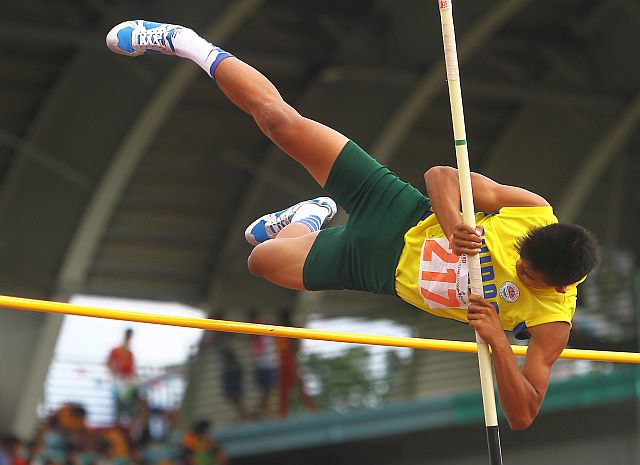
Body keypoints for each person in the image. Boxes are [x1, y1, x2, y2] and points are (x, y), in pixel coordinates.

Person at [106, 20, 599, 430]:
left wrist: (496, 340)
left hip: (377, 270)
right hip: (397, 210)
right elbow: (442, 176)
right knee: (280, 122)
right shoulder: (533, 211)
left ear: (559, 286)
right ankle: (186, 42)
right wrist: (452, 228)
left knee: (262, 261)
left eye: (527, 275)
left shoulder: (551, 321)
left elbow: (523, 414)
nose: (517, 266)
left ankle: (306, 217)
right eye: (522, 256)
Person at [199, 312, 248, 421]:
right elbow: (205, 344)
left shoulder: (224, 333)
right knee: (232, 396)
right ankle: (242, 415)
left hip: (231, 369)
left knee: (235, 395)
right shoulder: (218, 336)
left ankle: (243, 415)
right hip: (229, 369)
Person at [276, 308, 315, 417]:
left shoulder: (286, 331)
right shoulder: (283, 331)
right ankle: (283, 413)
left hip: (288, 360)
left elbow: (293, 348)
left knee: (290, 388)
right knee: (287, 389)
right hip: (287, 360)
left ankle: (311, 409)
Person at [247, 310, 279, 419]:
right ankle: (264, 412)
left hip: (269, 364)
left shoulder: (267, 328)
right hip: (261, 365)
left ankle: (266, 412)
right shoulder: (253, 332)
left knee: (269, 390)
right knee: (265, 390)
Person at [106, 328, 137, 424]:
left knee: (128, 403)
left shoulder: (130, 353)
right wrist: (114, 371)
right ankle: (117, 423)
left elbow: (132, 368)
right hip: (119, 380)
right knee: (118, 404)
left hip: (128, 382)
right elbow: (109, 363)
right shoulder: (116, 350)